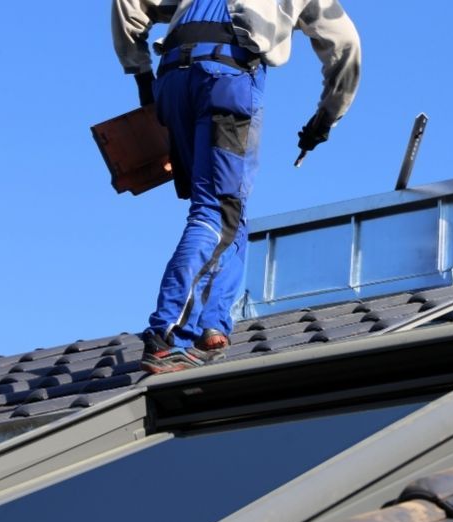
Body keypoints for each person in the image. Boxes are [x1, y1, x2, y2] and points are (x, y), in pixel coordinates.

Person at [111, 0, 361, 373]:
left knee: (230, 207)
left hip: (174, 79)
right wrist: (324, 119)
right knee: (216, 210)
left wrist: (143, 78)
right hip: (226, 76)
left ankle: (212, 323)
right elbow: (346, 49)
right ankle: (169, 334)